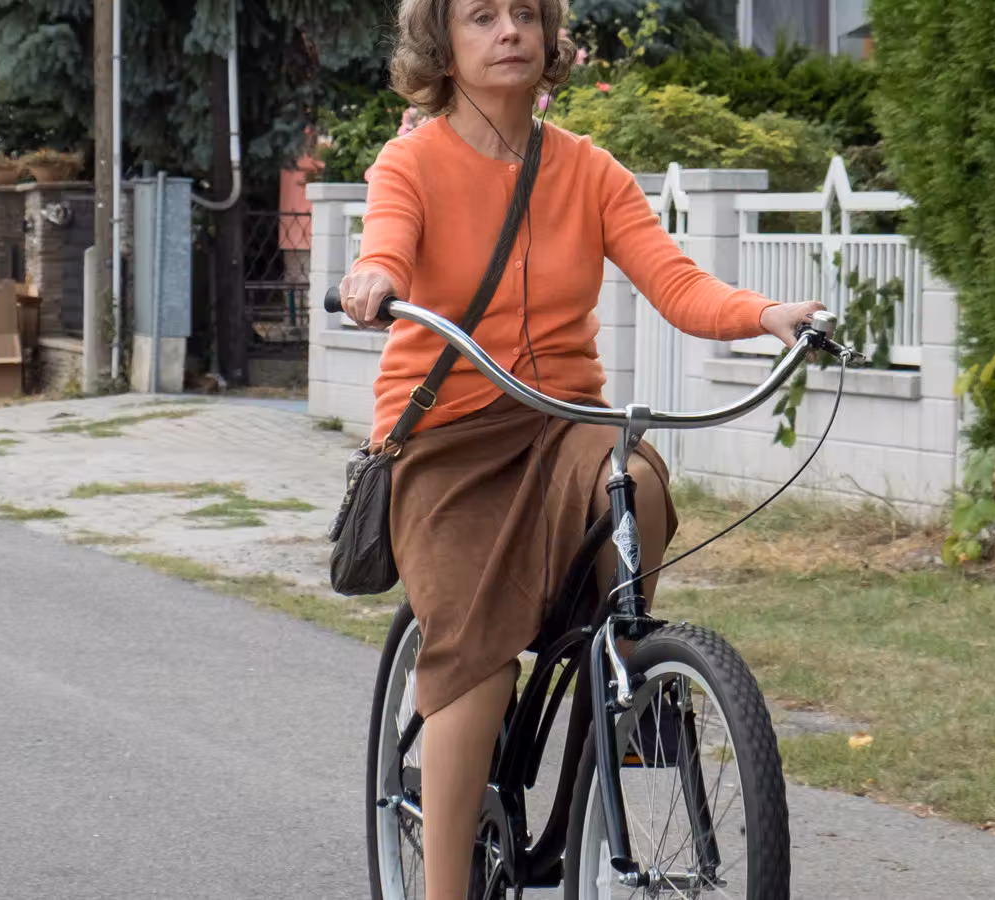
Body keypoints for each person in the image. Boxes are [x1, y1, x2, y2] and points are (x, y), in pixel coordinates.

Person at [332, 0, 823, 895]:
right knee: (476, 668)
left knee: (635, 476)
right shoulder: (412, 162)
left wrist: (769, 316)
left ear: (550, 36)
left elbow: (677, 283)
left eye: (526, 13)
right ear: (443, 43)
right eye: (482, 17)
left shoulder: (589, 170)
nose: (509, 31)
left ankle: (626, 677)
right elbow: (387, 247)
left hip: (563, 422)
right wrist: (373, 277)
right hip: (447, 440)